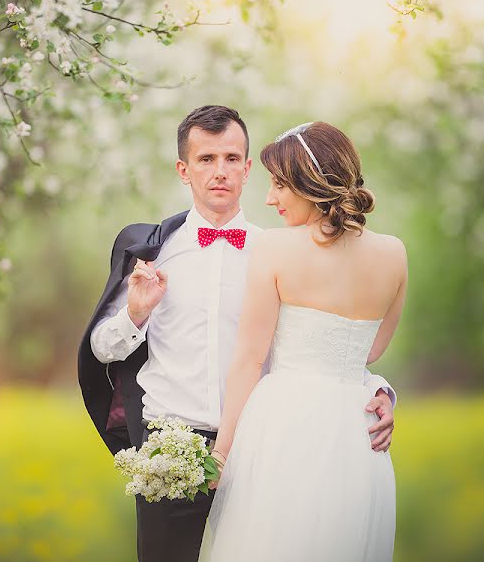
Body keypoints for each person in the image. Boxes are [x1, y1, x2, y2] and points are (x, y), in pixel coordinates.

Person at [78, 106, 399, 562]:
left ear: (249, 168)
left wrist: (381, 389)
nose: (220, 172)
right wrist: (135, 314)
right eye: (206, 159)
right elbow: (100, 348)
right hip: (172, 443)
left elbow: (320, 343)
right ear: (183, 170)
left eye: (232, 158)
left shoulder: (283, 250)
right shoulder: (152, 248)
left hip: (260, 449)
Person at [199, 121, 406, 561]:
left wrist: (220, 453)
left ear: (311, 185)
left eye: (279, 186)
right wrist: (380, 390)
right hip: (357, 436)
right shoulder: (395, 254)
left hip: (284, 428)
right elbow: (367, 353)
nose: (270, 199)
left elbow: (248, 361)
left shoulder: (274, 247)